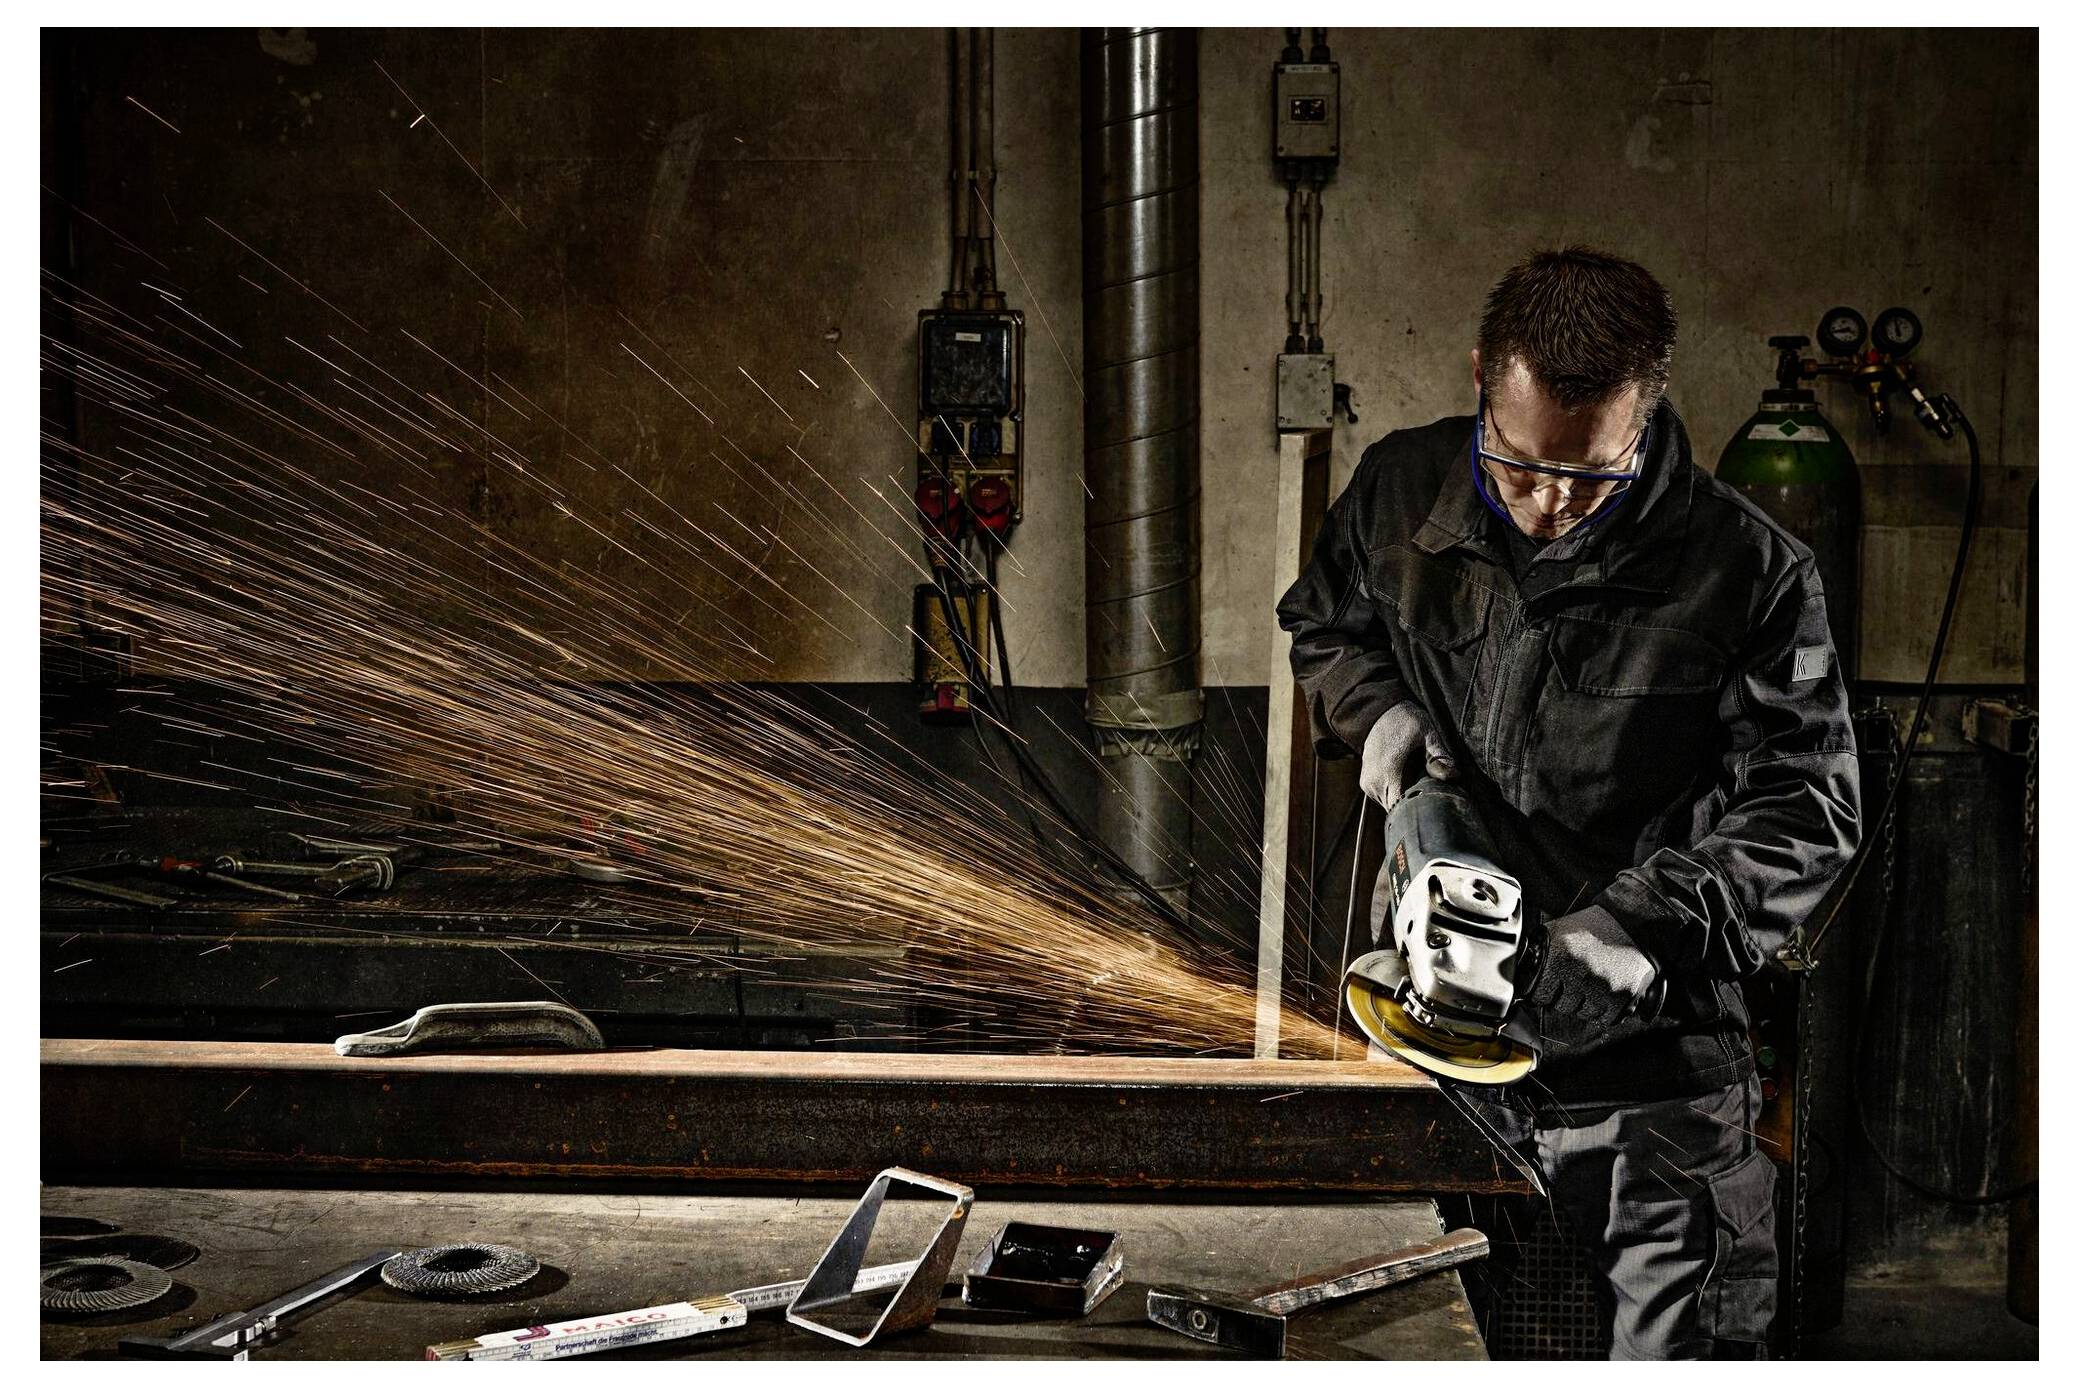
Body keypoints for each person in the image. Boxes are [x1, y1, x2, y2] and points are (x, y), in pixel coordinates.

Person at [1276, 247, 1861, 1359]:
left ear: (1648, 411)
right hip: (1439, 1049)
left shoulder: (1751, 572)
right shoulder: (1399, 490)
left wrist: (1642, 923)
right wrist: (1381, 714)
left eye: (1590, 476)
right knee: (1409, 1345)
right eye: (1520, 465)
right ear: (1482, 378)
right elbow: (1326, 624)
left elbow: (1809, 806)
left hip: (1654, 1078)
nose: (1548, 505)